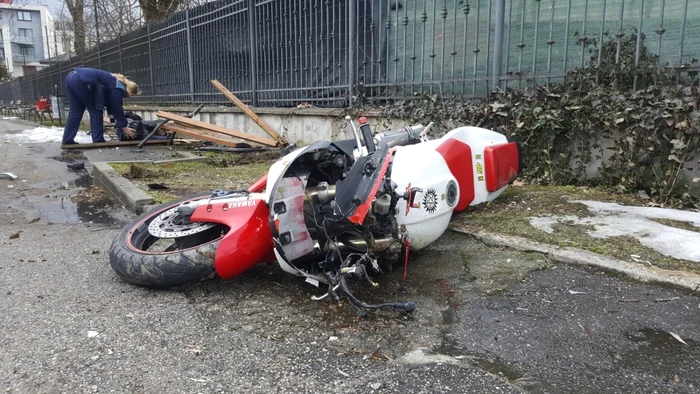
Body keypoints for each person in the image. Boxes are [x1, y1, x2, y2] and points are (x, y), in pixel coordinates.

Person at [61, 67, 140, 145]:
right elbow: (117, 107)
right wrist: (124, 127)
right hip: (82, 80)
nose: (124, 97)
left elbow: (111, 105)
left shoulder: (114, 81)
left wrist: (114, 120)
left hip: (71, 76)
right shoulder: (119, 88)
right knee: (96, 110)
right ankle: (98, 140)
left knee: (76, 111)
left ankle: (67, 140)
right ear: (129, 91)